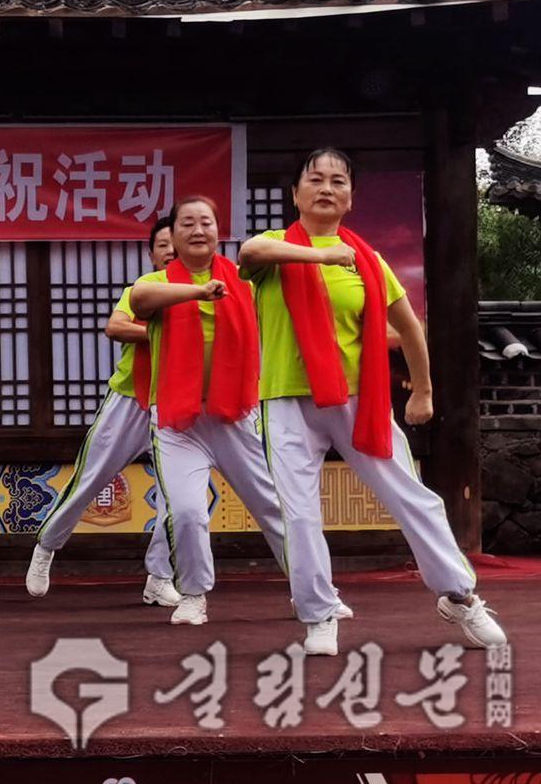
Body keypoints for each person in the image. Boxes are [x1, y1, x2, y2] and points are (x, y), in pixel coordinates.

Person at [241, 148, 507, 655]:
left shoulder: (368, 261)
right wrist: (321, 256)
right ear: (295, 193)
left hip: (356, 400)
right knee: (298, 514)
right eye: (314, 179)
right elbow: (250, 252)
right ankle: (319, 614)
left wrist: (424, 390)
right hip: (286, 401)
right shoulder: (275, 249)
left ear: (350, 198)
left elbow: (409, 328)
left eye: (337, 181)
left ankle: (459, 595)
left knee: (410, 495)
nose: (326, 188)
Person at [130, 196, 289, 627]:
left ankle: (313, 592)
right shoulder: (157, 283)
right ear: (173, 234)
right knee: (186, 512)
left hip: (234, 416)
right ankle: (193, 594)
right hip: (179, 423)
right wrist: (198, 291)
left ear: (219, 231)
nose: (198, 230)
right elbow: (140, 301)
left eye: (206, 222)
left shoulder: (243, 281)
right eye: (187, 223)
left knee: (274, 507)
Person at [28, 215, 182, 607]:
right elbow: (115, 327)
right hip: (130, 399)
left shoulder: (199, 293)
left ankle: (160, 576)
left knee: (177, 496)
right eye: (162, 245)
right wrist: (161, 335)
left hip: (176, 402)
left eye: (175, 243)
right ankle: (47, 545)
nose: (170, 251)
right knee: (90, 478)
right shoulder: (142, 289)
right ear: (152, 254)